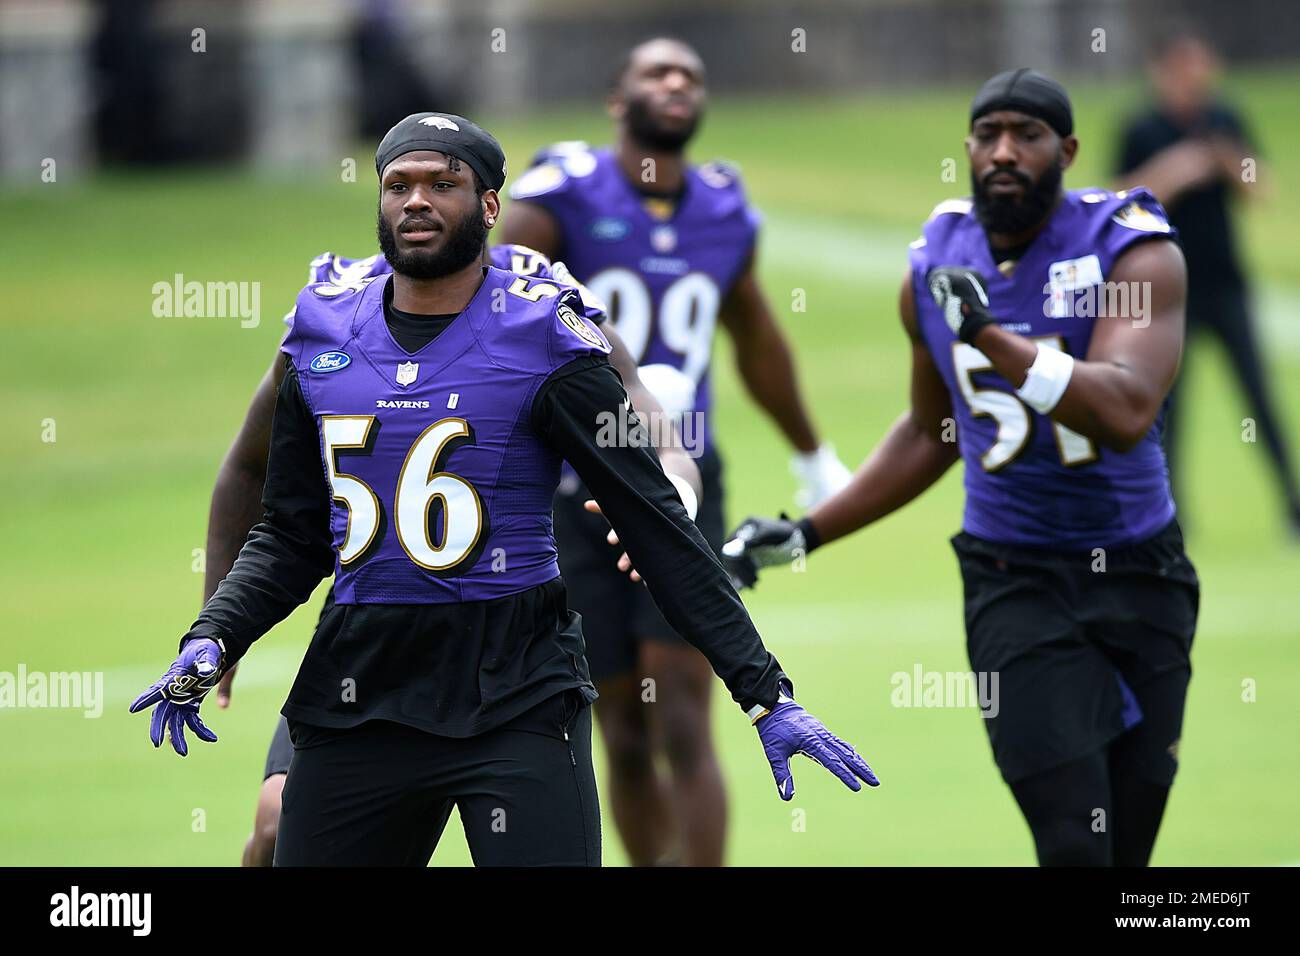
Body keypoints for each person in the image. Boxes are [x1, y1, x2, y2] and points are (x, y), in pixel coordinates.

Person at [130, 112, 878, 867]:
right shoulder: (325, 329)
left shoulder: (543, 331)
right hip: (364, 685)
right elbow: (291, 534)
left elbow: (654, 523)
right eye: (398, 185)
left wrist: (765, 695)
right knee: (273, 831)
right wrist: (214, 634)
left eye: (442, 184)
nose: (416, 201)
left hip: (516, 691)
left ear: (490, 207)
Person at [724, 70, 1198, 867]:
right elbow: (932, 430)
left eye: (1028, 135)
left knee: (1129, 846)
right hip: (1013, 579)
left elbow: (1123, 412)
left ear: (1068, 150)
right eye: (988, 136)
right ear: (969, 150)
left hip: (1142, 572)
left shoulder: (1131, 248)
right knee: (1075, 846)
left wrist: (989, 334)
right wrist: (808, 530)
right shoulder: (938, 259)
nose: (1004, 152)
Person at [496, 37, 850, 866]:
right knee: (618, 724)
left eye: (690, 74)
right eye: (656, 72)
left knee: (685, 714)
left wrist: (813, 455)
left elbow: (755, 337)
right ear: (618, 99)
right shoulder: (557, 200)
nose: (676, 83)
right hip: (570, 488)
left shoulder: (723, 208)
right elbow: (496, 319)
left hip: (681, 472)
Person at [1116, 30, 1300, 532]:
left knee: (1258, 395)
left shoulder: (1223, 119)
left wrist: (1226, 161)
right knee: (1170, 403)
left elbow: (1261, 188)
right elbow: (1117, 199)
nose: (1194, 78)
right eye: (1184, 68)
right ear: (1163, 72)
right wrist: (1173, 172)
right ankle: (1172, 512)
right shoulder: (1142, 127)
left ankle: (1292, 502)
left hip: (1226, 284)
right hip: (1168, 291)